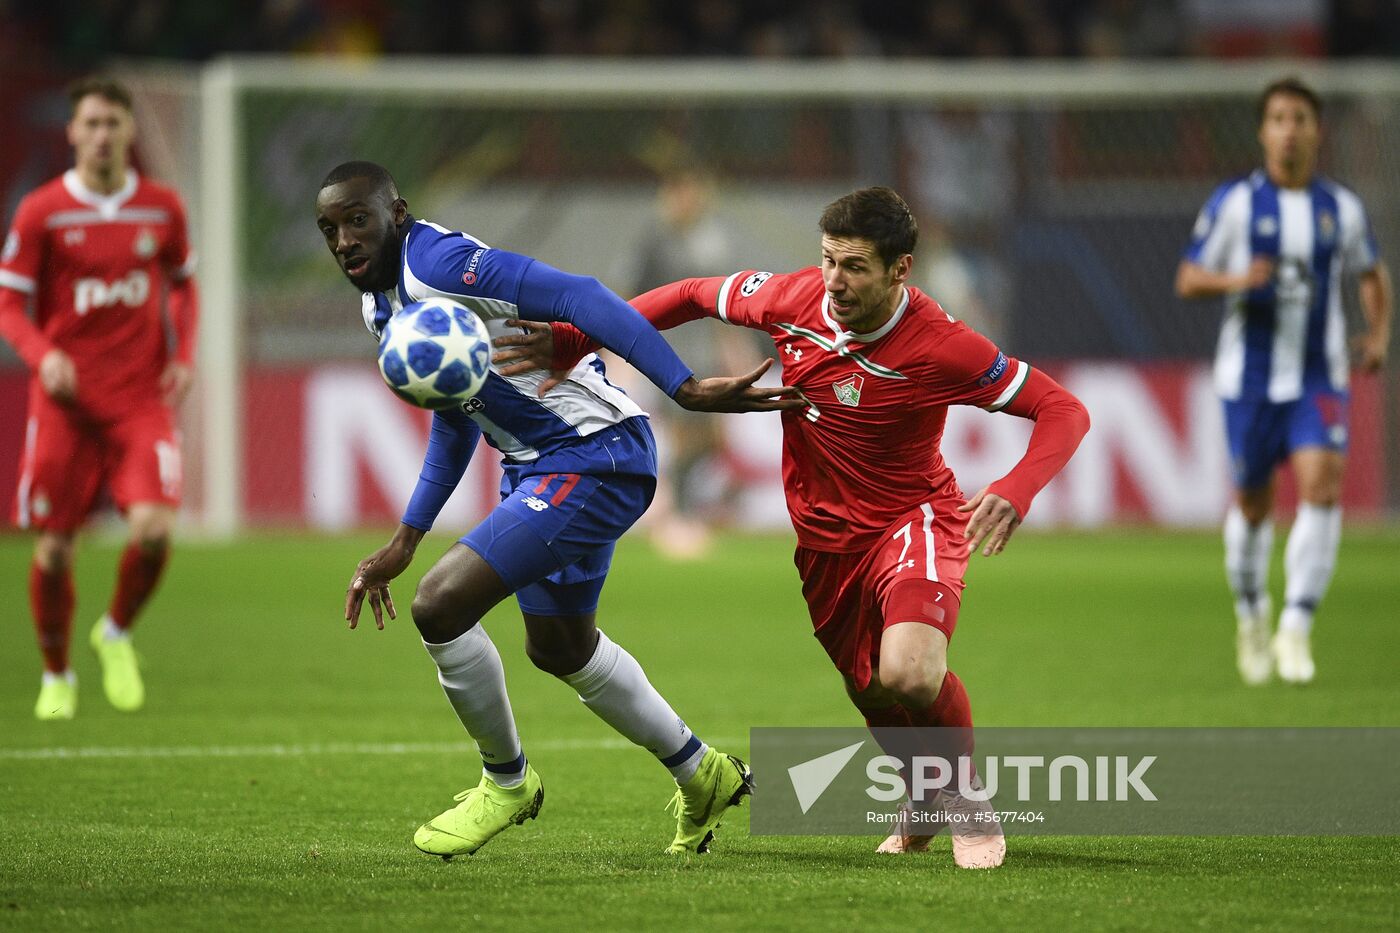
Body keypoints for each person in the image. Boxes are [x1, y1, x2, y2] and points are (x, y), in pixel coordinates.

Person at [500, 186, 1091, 869]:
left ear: (900, 269)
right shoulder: (792, 298)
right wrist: (575, 339)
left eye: (855, 267)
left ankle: (966, 801)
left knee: (908, 673)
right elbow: (690, 293)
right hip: (824, 540)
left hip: (913, 519)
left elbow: (1063, 409)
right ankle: (923, 794)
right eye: (829, 260)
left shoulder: (942, 346)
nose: (834, 281)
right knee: (870, 687)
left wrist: (1017, 487)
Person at [313, 161, 799, 858]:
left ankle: (506, 782)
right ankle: (703, 773)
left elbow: (581, 294)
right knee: (561, 647)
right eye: (329, 229)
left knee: (439, 606)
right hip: (542, 466)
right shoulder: (380, 308)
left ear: (397, 212)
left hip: (594, 455)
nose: (343, 241)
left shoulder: (440, 265)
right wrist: (406, 537)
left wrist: (684, 387)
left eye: (357, 220)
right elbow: (457, 410)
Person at [1175, 77, 1392, 686]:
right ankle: (1252, 613)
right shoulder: (1235, 203)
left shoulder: (1341, 208)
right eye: (1278, 119)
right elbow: (1189, 278)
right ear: (1263, 132)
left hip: (1319, 375)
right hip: (1248, 380)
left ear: (1317, 131)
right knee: (1253, 504)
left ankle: (1296, 625)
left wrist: (1378, 335)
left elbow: (1372, 271)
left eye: (1300, 118)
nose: (1289, 129)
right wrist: (1238, 279)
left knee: (1322, 486)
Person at [0, 77, 198, 721]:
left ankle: (114, 631)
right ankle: (56, 674)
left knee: (153, 532)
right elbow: (9, 304)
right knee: (56, 549)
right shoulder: (43, 210)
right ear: (72, 132)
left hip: (140, 399)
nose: (102, 135)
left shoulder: (161, 208)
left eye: (113, 123)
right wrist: (43, 356)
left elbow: (184, 286)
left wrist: (183, 357)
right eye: (91, 123)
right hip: (66, 405)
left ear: (130, 130)